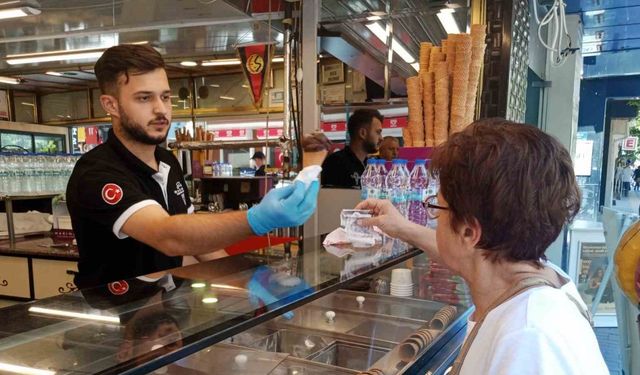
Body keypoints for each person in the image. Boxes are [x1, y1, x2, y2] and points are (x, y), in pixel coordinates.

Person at [355, 119, 608, 374]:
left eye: (437, 207)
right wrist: (401, 227)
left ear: (468, 232)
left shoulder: (528, 339)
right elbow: (471, 251)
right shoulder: (540, 276)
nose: (435, 217)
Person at [66, 44, 319, 289]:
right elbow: (169, 236)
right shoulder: (98, 173)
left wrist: (248, 282)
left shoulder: (167, 161)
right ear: (111, 105)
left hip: (164, 311)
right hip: (113, 317)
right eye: (144, 98)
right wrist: (257, 219)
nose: (161, 109)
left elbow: (200, 244)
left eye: (165, 97)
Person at [320, 108, 383, 188]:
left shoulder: (368, 165)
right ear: (362, 133)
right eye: (378, 132)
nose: (381, 138)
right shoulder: (336, 163)